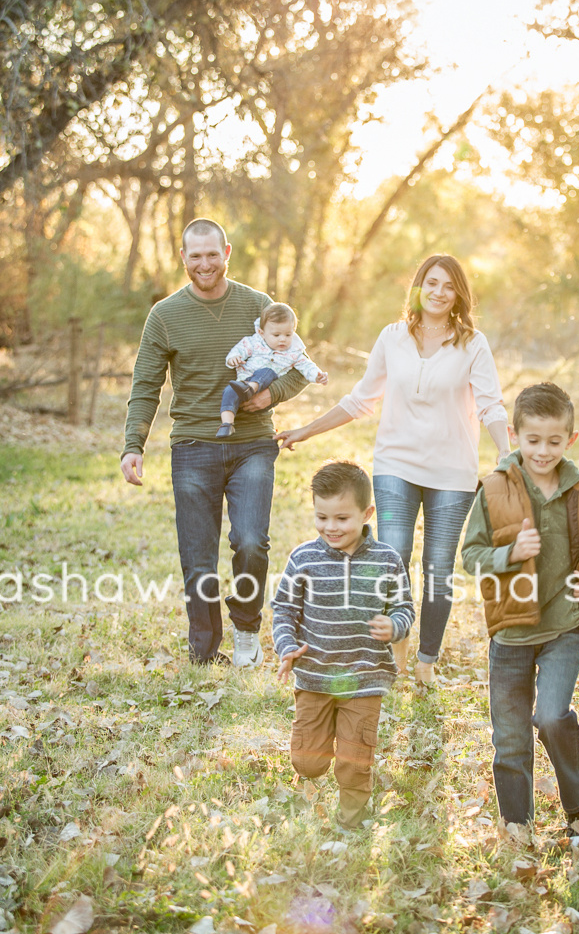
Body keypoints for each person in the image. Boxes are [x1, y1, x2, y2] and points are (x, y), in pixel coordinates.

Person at [275, 254, 510, 684]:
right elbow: (362, 399)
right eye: (431, 283)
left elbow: (491, 403)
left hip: (452, 471)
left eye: (448, 286)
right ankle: (394, 650)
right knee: (393, 556)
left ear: (459, 294)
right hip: (396, 463)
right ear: (418, 286)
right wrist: (307, 430)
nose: (439, 292)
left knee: (438, 565)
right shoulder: (393, 337)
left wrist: (505, 452)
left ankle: (426, 661)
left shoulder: (472, 343)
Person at [120, 218, 310, 666]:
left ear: (226, 252)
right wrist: (134, 444)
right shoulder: (164, 314)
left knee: (250, 540)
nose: (205, 263)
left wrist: (271, 394)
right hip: (193, 446)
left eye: (212, 254)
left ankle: (247, 630)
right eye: (195, 255)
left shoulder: (259, 306)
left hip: (253, 445)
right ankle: (204, 651)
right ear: (183, 257)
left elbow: (299, 366)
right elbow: (146, 384)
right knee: (198, 554)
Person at [461, 382, 579, 835]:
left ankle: (578, 804)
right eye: (533, 440)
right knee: (510, 737)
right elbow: (471, 555)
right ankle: (517, 822)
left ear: (569, 440)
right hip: (511, 633)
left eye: (554, 441)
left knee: (552, 715)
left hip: (564, 627)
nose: (543, 450)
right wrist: (508, 554)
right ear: (514, 436)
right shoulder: (494, 489)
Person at [272, 461, 414, 829]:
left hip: (366, 676)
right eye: (322, 517)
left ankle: (351, 819)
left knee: (353, 760)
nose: (330, 527)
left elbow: (404, 608)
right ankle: (318, 753)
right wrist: (287, 646)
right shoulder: (304, 558)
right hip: (315, 675)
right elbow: (284, 608)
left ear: (367, 514)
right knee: (308, 762)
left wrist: (394, 625)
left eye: (341, 518)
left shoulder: (387, 560)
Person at [217, 302, 327, 439]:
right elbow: (239, 350)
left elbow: (306, 366)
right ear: (261, 333)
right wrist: (233, 358)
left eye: (288, 335)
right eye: (276, 335)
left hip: (266, 390)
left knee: (267, 372)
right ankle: (227, 424)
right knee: (228, 391)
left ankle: (250, 388)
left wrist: (317, 376)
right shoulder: (253, 342)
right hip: (243, 382)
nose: (283, 339)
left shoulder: (294, 352)